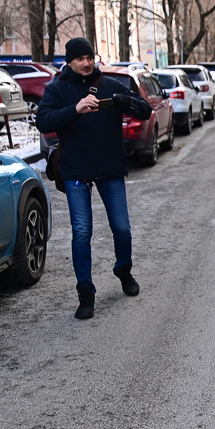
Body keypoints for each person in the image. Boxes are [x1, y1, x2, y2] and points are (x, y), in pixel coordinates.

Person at [35, 37, 151, 320]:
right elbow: (43, 121)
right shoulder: (58, 88)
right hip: (76, 170)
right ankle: (85, 293)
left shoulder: (110, 85)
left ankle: (124, 270)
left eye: (89, 57)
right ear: (69, 61)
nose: (86, 63)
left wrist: (127, 101)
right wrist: (74, 109)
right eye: (79, 59)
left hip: (110, 167)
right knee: (82, 233)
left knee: (122, 228)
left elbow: (145, 111)